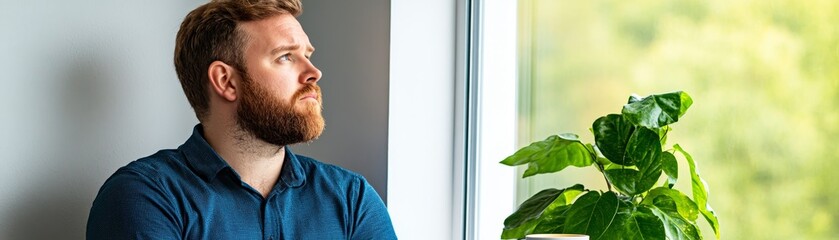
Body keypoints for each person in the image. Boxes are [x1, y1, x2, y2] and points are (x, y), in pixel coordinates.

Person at [86, 0, 397, 239]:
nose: (313, 72)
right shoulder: (146, 197)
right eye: (286, 56)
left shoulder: (350, 198)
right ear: (226, 81)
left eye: (308, 55)